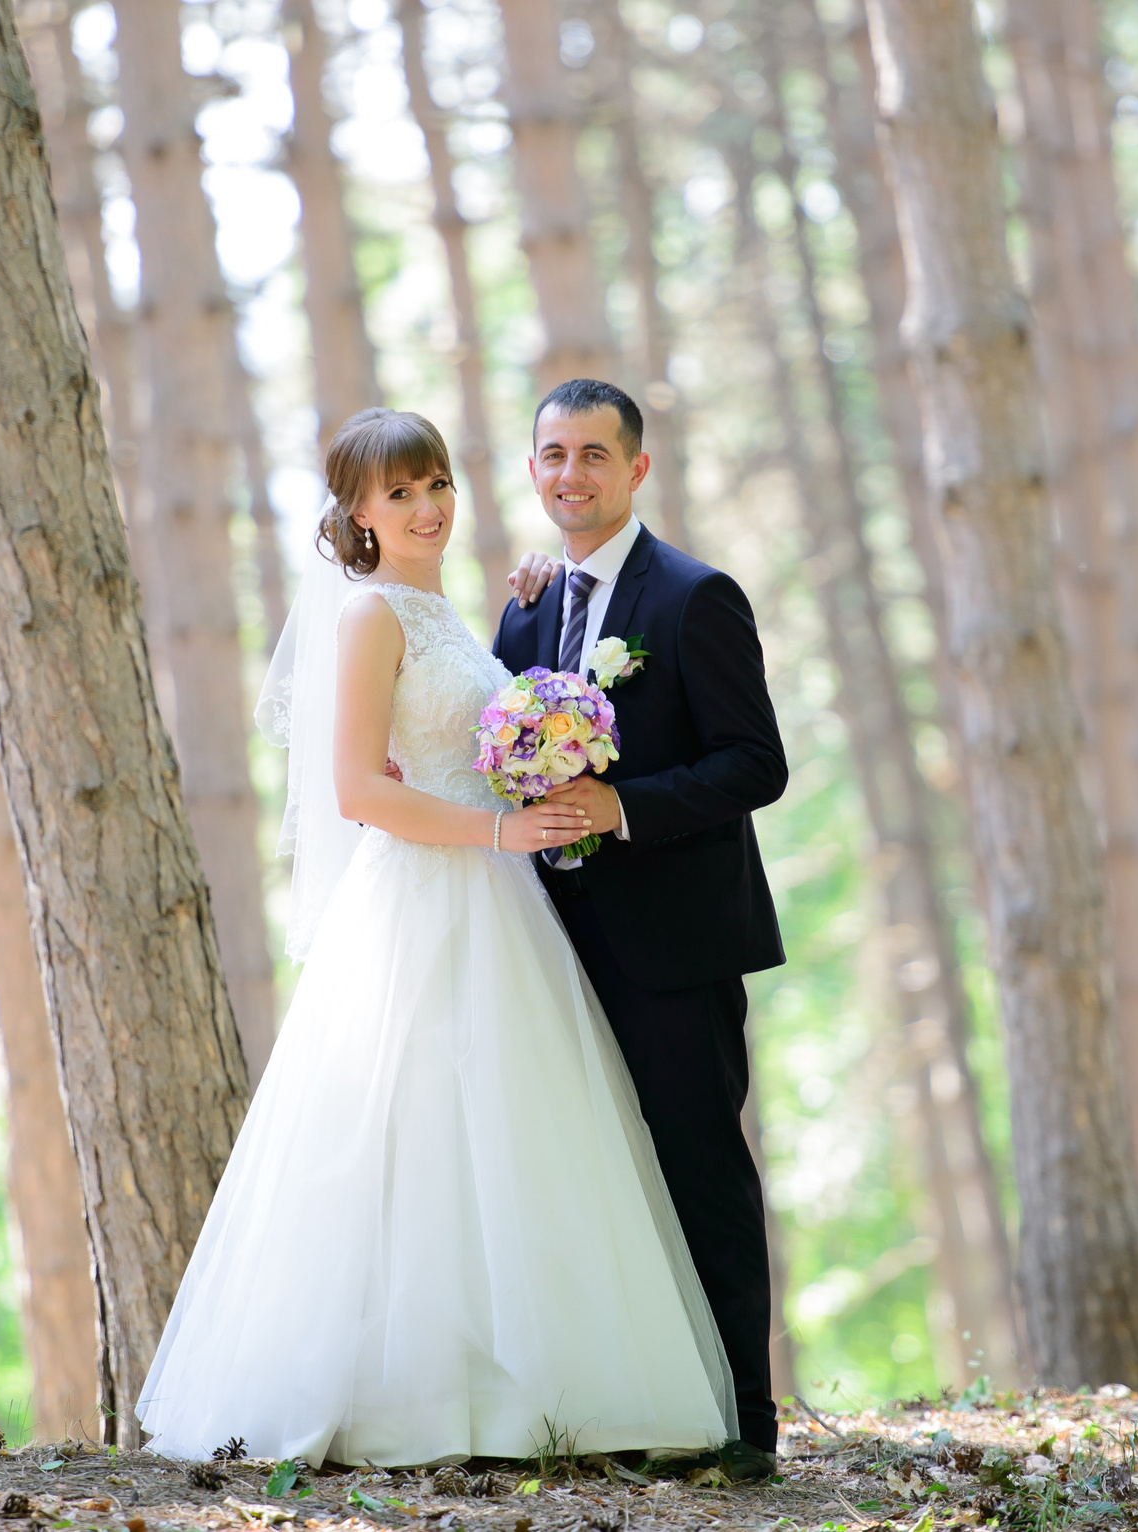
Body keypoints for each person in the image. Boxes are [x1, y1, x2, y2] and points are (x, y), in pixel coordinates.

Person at [137, 408, 736, 1469]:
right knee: (411, 1136)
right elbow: (359, 787)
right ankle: (409, 1398)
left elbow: (477, 727)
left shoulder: (446, 609)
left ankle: (534, 1391)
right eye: (400, 492)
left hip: (499, 896)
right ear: (357, 513)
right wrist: (497, 828)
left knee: (513, 1136)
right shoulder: (372, 617)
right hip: (424, 893)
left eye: (438, 484)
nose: (427, 508)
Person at [495, 379, 790, 1479]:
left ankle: (744, 1423)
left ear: (636, 471)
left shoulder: (693, 596)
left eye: (592, 455)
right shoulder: (526, 607)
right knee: (599, 1174)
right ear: (532, 470)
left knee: (699, 1167)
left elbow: (755, 761)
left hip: (675, 944)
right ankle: (639, 1399)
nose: (569, 474)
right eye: (551, 455)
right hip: (555, 947)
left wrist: (626, 806)